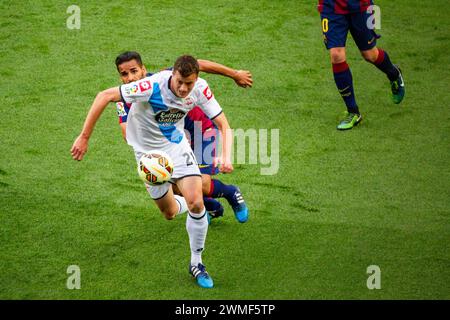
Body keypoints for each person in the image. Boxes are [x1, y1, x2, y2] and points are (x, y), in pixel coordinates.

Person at [71, 55, 236, 289]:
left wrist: (225, 155)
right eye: (179, 82)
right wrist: (84, 137)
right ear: (173, 75)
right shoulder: (152, 85)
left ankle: (196, 262)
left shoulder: (200, 89)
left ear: (196, 79)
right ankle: (188, 206)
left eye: (188, 83)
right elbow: (104, 96)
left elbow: (223, 125)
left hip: (177, 147)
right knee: (169, 212)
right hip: (149, 158)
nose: (183, 88)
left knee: (197, 201)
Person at [114, 51, 250, 223]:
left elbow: (199, 64)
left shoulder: (162, 79)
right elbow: (127, 132)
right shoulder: (124, 99)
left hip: (200, 129)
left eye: (134, 71)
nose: (131, 78)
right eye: (124, 74)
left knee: (203, 183)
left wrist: (235, 74)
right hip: (171, 141)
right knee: (171, 182)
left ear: (143, 69)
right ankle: (209, 207)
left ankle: (230, 192)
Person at [318, 0, 405, 130]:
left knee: (370, 54)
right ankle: (353, 111)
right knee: (336, 55)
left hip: (360, 6)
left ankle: (394, 73)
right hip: (331, 6)